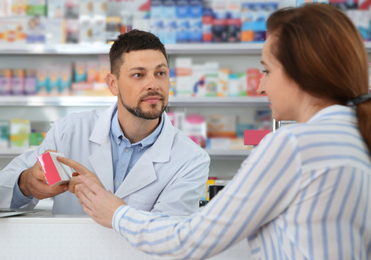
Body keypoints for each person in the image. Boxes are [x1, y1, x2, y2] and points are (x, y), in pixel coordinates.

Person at [59, 3, 371, 259]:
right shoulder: (355, 138)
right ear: (113, 84)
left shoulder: (294, 146)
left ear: (302, 72)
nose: (261, 86)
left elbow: (192, 239)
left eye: (266, 70)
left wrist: (117, 213)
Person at [0, 30, 210, 216]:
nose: (153, 84)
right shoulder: (68, 131)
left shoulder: (191, 159)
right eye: (138, 75)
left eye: (160, 73)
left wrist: (105, 203)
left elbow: (167, 236)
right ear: (113, 84)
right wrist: (26, 183)